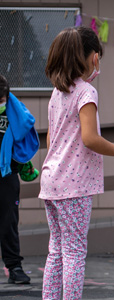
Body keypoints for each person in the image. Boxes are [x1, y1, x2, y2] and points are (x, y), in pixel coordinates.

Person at [38, 26, 114, 300]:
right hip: (73, 185)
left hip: (51, 180)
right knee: (74, 251)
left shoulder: (58, 93)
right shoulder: (85, 93)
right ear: (91, 57)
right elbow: (90, 138)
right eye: (98, 56)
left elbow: (55, 137)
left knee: (56, 249)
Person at [0, 74, 39, 284]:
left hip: (7, 174)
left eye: (2, 100)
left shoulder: (14, 111)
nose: (1, 104)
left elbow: (26, 129)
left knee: (9, 222)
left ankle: (14, 267)